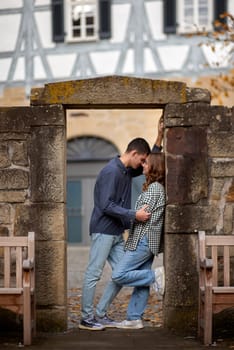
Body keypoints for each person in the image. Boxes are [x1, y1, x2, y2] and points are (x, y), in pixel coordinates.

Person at [79, 118, 164, 331]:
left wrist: (159, 137)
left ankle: (101, 314)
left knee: (120, 275)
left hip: (117, 232)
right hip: (103, 231)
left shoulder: (127, 170)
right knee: (93, 274)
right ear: (133, 154)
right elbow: (105, 205)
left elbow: (152, 165)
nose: (143, 165)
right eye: (141, 160)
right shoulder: (111, 171)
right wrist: (133, 214)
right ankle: (86, 318)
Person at [112, 152, 166, 329]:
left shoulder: (155, 188)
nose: (143, 165)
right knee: (141, 284)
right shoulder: (154, 187)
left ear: (154, 167)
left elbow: (142, 215)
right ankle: (134, 318)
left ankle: (156, 276)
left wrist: (131, 215)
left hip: (143, 240)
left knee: (118, 274)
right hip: (146, 241)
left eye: (146, 163)